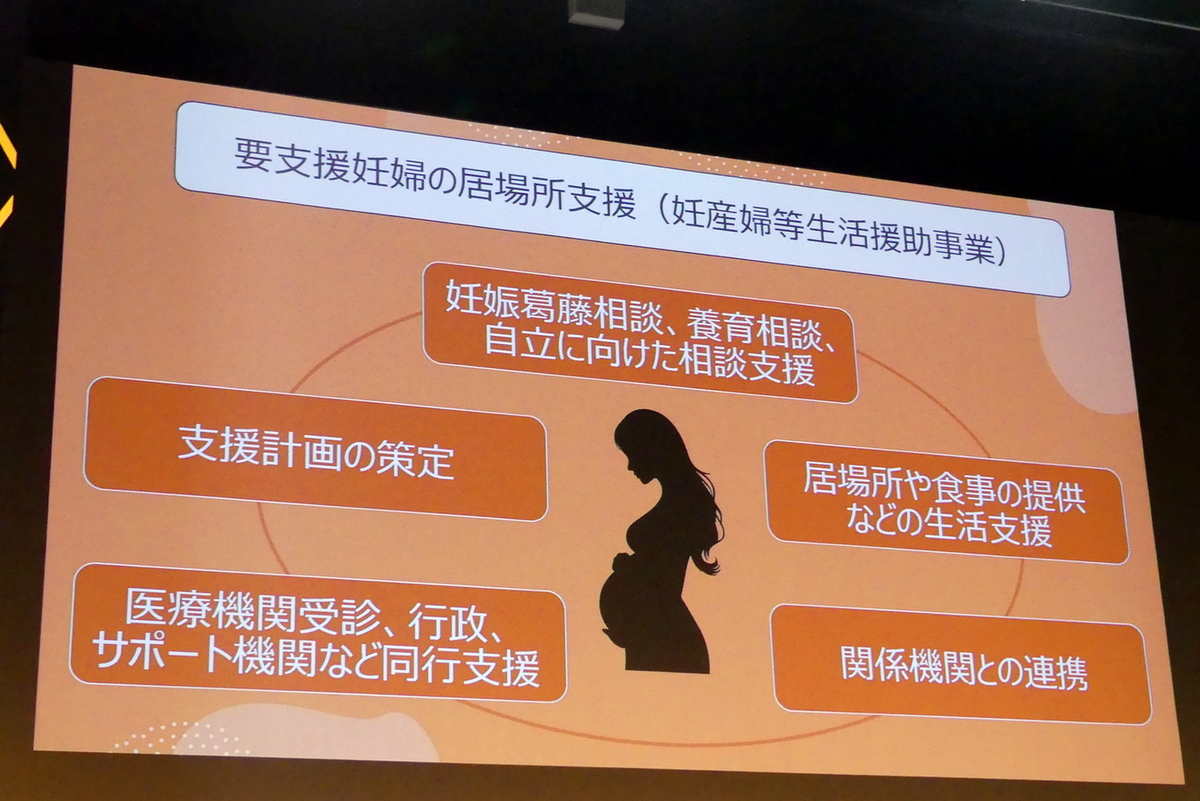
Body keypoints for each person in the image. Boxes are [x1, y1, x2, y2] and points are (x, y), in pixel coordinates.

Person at [598, 409, 723, 674]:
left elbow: (664, 577)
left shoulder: (684, 504)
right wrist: (631, 568)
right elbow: (658, 565)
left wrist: (630, 572)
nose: (630, 466)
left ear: (652, 450)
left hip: (664, 635)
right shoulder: (681, 501)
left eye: (632, 454)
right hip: (652, 632)